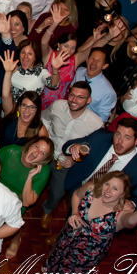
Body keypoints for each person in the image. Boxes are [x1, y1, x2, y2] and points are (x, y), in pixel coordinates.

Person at [40, 82, 104, 226]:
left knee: (57, 193)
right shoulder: (57, 106)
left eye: (80, 97)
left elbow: (92, 150)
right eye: (72, 95)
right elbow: (44, 119)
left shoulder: (96, 124)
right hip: (45, 154)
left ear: (89, 100)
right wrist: (44, 139)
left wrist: (74, 161)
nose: (74, 100)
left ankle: (47, 210)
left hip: (64, 164)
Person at [63, 119, 137, 211]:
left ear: (136, 141)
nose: (120, 141)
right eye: (118, 134)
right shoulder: (100, 137)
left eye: (127, 138)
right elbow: (68, 145)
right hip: (78, 188)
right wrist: (74, 147)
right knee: (72, 218)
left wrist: (133, 203)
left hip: (106, 206)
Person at [72, 47, 116, 122]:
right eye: (92, 58)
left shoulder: (108, 92)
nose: (93, 63)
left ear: (104, 66)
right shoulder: (79, 72)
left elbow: (102, 120)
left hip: (87, 124)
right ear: (87, 59)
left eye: (99, 61)